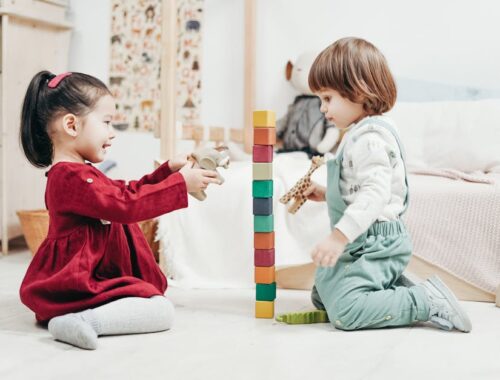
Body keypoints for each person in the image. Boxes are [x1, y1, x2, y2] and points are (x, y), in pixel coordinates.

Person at [276, 38, 471, 333]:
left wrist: (338, 237)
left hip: (376, 243)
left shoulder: (369, 139)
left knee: (346, 312)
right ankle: (387, 290)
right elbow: (360, 188)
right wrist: (327, 194)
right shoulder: (358, 133)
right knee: (322, 294)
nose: (323, 109)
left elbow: (376, 194)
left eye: (328, 99)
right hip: (363, 239)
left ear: (358, 92)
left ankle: (424, 299)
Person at [19, 71, 219, 349]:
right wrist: (179, 185)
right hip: (79, 280)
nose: (112, 132)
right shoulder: (70, 177)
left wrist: (167, 172)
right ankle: (85, 321)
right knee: (161, 311)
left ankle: (81, 317)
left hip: (93, 274)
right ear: (72, 125)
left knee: (153, 302)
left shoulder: (81, 173)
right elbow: (125, 206)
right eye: (107, 122)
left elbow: (126, 192)